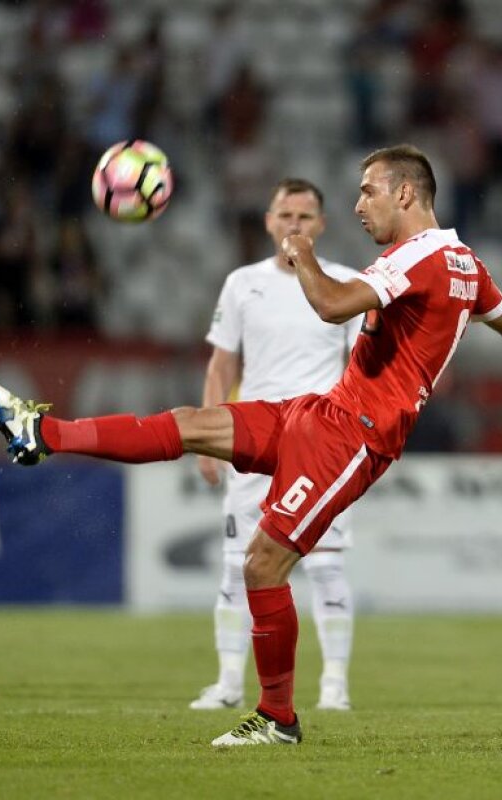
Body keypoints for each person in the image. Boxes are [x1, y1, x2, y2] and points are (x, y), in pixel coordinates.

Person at [0, 143, 502, 748]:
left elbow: (331, 305)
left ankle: (278, 717)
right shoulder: (463, 262)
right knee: (193, 421)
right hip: (322, 412)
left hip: (355, 437)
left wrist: (302, 254)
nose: (357, 204)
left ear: (406, 193)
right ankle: (41, 433)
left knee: (262, 564)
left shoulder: (418, 256)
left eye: (369, 190)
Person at [188, 178, 363, 714]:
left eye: (305, 217)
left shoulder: (348, 284)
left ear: (322, 224)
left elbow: (363, 369)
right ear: (268, 221)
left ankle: (334, 685)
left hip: (321, 444)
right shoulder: (242, 284)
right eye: (285, 215)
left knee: (325, 565)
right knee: (237, 563)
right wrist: (207, 438)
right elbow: (222, 364)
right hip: (252, 438)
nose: (294, 225)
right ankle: (228, 683)